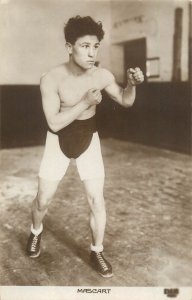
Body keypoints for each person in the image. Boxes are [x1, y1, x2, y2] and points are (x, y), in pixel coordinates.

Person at [26, 15, 144, 278]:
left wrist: (132, 85)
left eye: (96, 46)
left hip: (88, 136)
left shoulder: (102, 75)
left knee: (97, 201)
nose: (92, 53)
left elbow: (126, 101)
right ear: (70, 47)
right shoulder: (51, 79)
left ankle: (97, 249)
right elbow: (54, 124)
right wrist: (83, 102)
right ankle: (35, 232)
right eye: (85, 46)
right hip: (57, 139)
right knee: (43, 200)